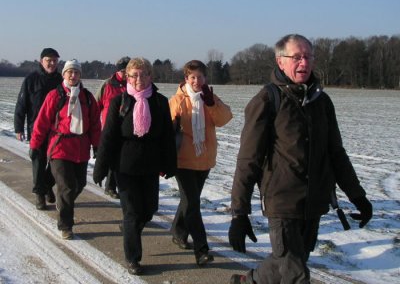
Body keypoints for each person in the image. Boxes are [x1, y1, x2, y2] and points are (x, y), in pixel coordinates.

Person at [228, 34, 373, 284]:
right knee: (296, 274)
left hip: (314, 202)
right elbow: (248, 160)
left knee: (288, 261)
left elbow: (336, 153)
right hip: (282, 201)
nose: (303, 63)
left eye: (308, 57)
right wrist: (239, 214)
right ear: (280, 61)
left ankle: (247, 282)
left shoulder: (322, 102)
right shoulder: (266, 100)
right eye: (296, 57)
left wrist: (357, 196)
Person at [93, 57, 176, 275]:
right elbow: (109, 136)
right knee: (131, 212)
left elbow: (167, 136)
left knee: (149, 210)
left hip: (150, 165)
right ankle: (133, 259)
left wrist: (170, 163)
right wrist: (100, 167)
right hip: (125, 165)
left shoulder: (159, 102)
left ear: (150, 76)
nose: (139, 79)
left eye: (143, 74)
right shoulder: (119, 102)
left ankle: (132, 230)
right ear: (128, 77)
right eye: (134, 75)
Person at [169, 60, 233, 266]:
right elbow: (167, 128)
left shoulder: (210, 97)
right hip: (183, 160)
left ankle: (178, 231)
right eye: (192, 77)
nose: (197, 81)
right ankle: (202, 249)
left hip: (204, 158)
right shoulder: (178, 100)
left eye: (200, 77)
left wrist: (212, 103)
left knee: (190, 200)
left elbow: (224, 119)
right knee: (193, 204)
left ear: (205, 78)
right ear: (186, 79)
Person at [29, 59, 101, 240]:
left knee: (79, 184)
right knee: (67, 187)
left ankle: (62, 203)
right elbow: (42, 122)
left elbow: (94, 125)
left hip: (81, 149)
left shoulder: (88, 98)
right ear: (64, 74)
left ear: (80, 75)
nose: (73, 75)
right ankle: (66, 225)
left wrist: (97, 146)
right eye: (69, 72)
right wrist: (35, 145)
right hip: (60, 148)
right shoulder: (55, 95)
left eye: (76, 72)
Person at [14, 48, 63, 210]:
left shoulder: (62, 80)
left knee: (57, 163)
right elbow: (21, 104)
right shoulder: (31, 79)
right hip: (37, 129)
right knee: (38, 162)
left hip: (57, 130)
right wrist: (18, 127)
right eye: (49, 60)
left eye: (55, 60)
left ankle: (47, 185)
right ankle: (39, 195)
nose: (52, 63)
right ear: (41, 61)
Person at [95, 56, 130, 199]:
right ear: (118, 71)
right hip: (109, 127)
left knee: (121, 157)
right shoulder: (108, 85)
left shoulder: (133, 84)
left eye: (128, 71)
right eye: (123, 71)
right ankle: (109, 186)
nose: (125, 74)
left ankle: (116, 185)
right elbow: (97, 105)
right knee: (110, 156)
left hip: (126, 129)